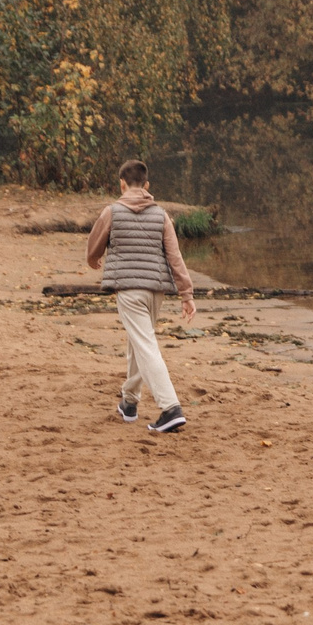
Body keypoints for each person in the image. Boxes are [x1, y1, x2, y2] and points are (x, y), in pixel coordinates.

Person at [83, 159, 196, 434]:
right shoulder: (161, 215)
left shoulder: (112, 212)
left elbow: (94, 246)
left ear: (121, 184)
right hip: (155, 292)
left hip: (129, 290)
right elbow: (175, 257)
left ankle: (171, 408)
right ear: (146, 185)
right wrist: (186, 294)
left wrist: (93, 260)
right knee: (139, 341)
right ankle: (130, 402)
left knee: (145, 346)